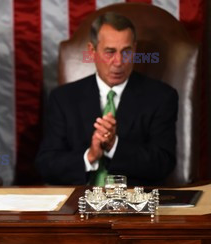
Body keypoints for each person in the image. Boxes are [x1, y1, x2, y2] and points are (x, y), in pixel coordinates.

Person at [35, 12, 178, 186]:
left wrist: (114, 146)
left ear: (135, 48)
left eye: (126, 52)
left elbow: (163, 163)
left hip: (134, 205)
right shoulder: (63, 98)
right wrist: (90, 155)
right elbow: (47, 165)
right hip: (78, 204)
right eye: (110, 52)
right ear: (92, 51)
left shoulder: (161, 97)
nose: (118, 62)